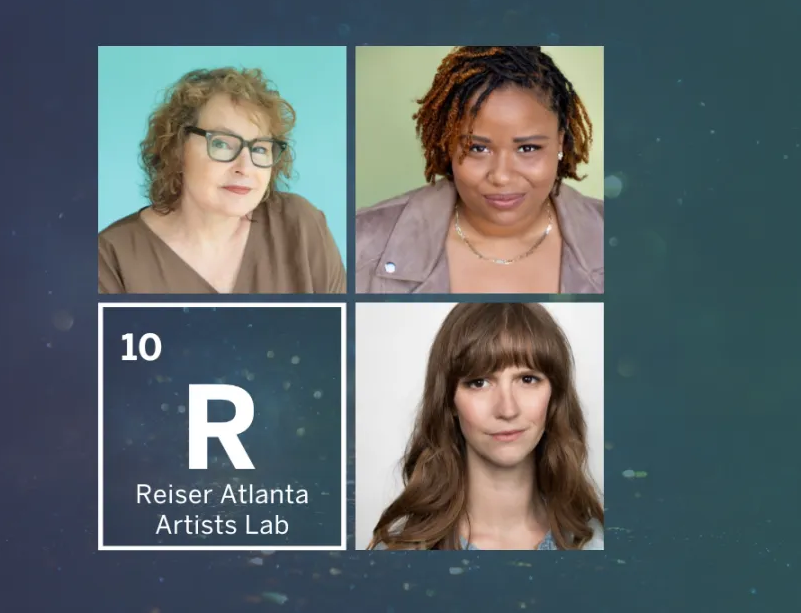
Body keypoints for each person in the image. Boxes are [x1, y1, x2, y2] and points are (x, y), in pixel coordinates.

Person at [356, 46, 603, 294]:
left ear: (560, 141)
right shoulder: (361, 243)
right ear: (448, 145)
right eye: (477, 148)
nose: (501, 176)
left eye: (528, 148)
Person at [369, 303, 604, 550]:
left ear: (554, 396)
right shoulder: (397, 554)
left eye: (527, 379)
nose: (507, 409)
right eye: (479, 382)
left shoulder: (598, 543)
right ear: (448, 401)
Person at [98, 67, 346, 294]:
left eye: (260, 149)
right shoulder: (111, 258)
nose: (245, 168)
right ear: (177, 148)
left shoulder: (301, 226)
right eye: (221, 144)